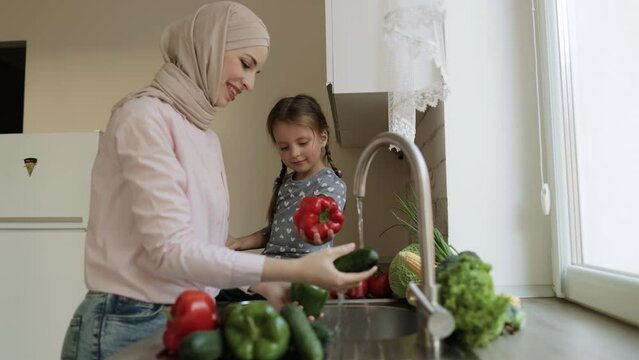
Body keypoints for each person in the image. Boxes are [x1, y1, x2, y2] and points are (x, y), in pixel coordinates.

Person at [60, 3, 375, 359]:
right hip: (125, 321)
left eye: (257, 70)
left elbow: (203, 245)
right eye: (245, 63)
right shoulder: (143, 117)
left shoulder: (206, 138)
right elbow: (171, 251)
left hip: (185, 316)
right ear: (209, 46)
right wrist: (293, 269)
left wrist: (260, 283)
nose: (250, 83)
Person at [225, 94, 346, 257]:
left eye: (302, 143)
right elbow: (275, 233)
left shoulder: (330, 184)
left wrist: (317, 236)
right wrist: (240, 242)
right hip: (273, 266)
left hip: (306, 269)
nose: (294, 153)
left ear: (323, 138)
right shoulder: (286, 183)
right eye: (284, 147)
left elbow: (325, 224)